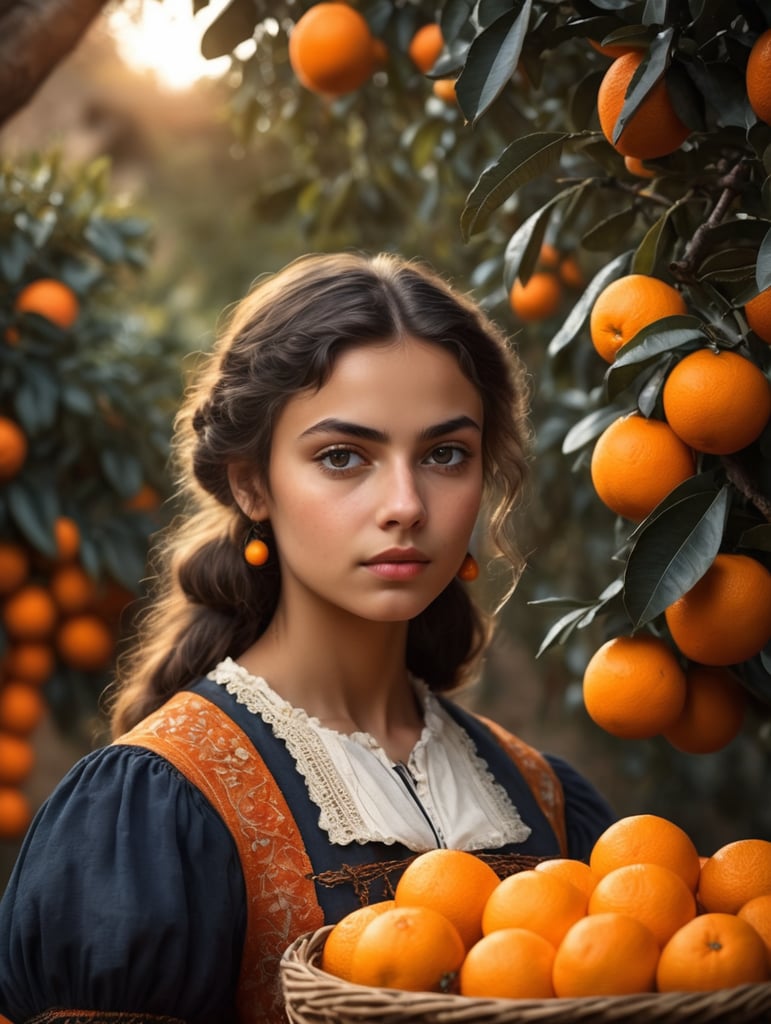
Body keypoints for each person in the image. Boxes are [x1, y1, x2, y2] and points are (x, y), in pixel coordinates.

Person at [0, 251, 614, 1024]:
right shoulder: (158, 804)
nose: (404, 504)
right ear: (251, 483)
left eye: (444, 454)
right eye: (342, 457)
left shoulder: (544, 797)